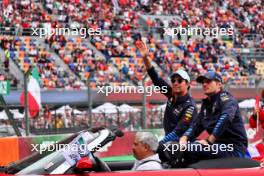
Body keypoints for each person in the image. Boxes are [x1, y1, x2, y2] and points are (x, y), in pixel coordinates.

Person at [179, 71, 248, 165]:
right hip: (218, 146)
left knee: (192, 149)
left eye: (208, 81)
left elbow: (226, 118)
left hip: (234, 147)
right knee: (177, 147)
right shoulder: (207, 104)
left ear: (219, 84)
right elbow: (196, 125)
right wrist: (184, 138)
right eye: (203, 82)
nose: (204, 84)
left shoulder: (226, 99)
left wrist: (209, 140)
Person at [136, 41, 197, 143]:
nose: (175, 83)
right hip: (170, 144)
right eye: (173, 80)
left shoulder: (190, 106)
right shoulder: (171, 94)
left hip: (183, 147)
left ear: (187, 84)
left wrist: (160, 144)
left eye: (180, 80)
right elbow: (155, 77)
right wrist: (145, 58)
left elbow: (178, 132)